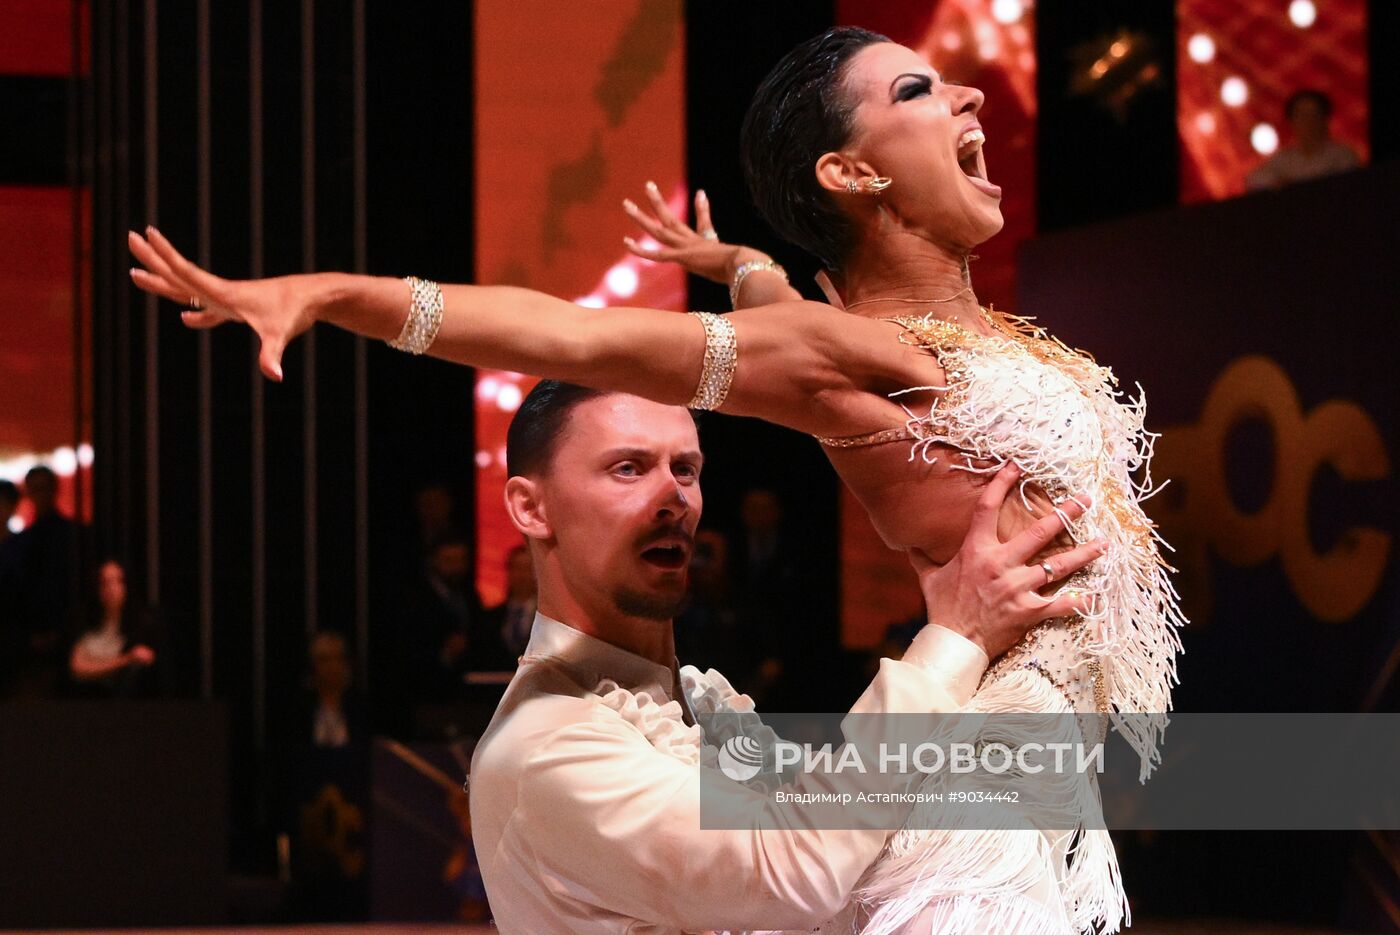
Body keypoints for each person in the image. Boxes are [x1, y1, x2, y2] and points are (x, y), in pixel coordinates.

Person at [127, 25, 1182, 929]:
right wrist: (332, 292)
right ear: (850, 173)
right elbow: (567, 335)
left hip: (1032, 795)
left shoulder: (909, 346)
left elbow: (783, 319)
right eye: (914, 90)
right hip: (979, 826)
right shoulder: (854, 356)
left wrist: (740, 266)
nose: (966, 93)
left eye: (683, 463)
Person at [467, 380, 1099, 932]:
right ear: (531, 506)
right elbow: (794, 866)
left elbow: (850, 815)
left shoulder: (689, 701)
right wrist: (957, 634)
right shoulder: (547, 744)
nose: (674, 498)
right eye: (628, 469)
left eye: (685, 470)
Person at [68, 559, 165, 698]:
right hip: (82, 699)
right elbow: (77, 667)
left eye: (117, 581)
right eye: (105, 583)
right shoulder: (84, 621)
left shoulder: (142, 624)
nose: (111, 589)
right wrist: (126, 659)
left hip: (122, 703)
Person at [1246, 88, 1359, 191]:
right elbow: (1253, 180)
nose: (1308, 121)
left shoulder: (1342, 155)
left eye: (1314, 114)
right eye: (1301, 115)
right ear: (1291, 122)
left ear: (1325, 119)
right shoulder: (1284, 159)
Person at [483, 544, 537, 661]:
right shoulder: (489, 617)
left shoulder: (548, 619)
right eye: (517, 568)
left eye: (528, 568)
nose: (522, 575)